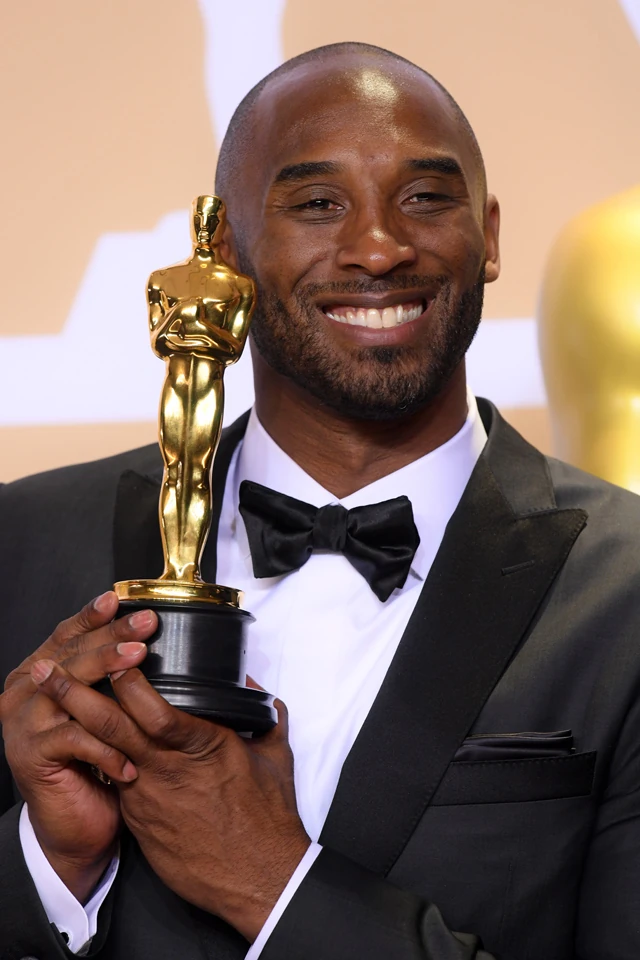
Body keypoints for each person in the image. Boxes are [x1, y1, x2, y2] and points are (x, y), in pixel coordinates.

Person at [1, 41, 639, 960]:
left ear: (489, 235)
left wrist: (271, 882)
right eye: (316, 204)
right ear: (225, 250)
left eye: (426, 197)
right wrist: (50, 865)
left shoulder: (625, 589)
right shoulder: (23, 545)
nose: (379, 247)